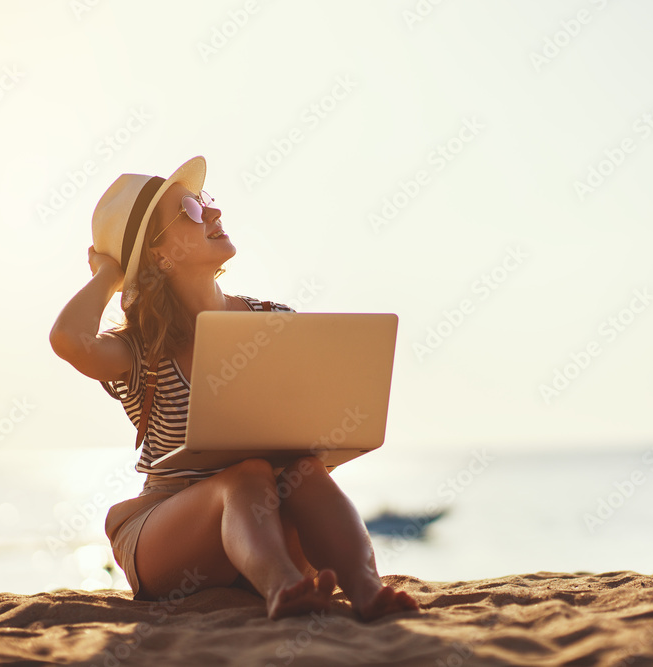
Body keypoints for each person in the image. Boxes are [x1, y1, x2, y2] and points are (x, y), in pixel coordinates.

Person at [49, 156, 419, 621]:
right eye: (191, 209)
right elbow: (68, 340)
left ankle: (366, 590)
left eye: (205, 201)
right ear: (159, 256)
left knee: (305, 470)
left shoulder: (274, 321)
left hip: (268, 531)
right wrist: (109, 274)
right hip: (173, 536)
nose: (214, 212)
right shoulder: (141, 348)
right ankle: (284, 588)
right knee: (244, 476)